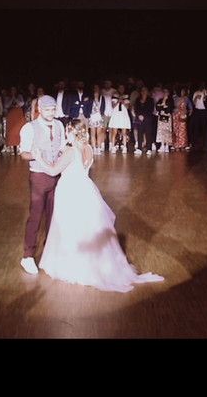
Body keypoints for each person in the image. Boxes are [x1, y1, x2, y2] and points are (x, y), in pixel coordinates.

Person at [31, 119, 164, 293]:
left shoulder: (71, 152)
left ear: (71, 132)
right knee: (86, 228)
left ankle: (73, 265)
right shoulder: (89, 149)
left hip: (70, 191)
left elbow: (53, 171)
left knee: (70, 228)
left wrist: (39, 158)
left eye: (67, 132)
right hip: (86, 189)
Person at [18, 95, 66, 275]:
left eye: (53, 109)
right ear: (40, 109)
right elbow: (23, 153)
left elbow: (61, 146)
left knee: (54, 215)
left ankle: (50, 251)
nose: (51, 113)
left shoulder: (59, 125)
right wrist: (34, 155)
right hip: (38, 175)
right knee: (36, 215)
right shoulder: (29, 128)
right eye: (47, 110)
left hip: (56, 175)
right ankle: (28, 256)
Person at [108, 83, 132, 153]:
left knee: (124, 132)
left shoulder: (126, 96)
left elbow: (128, 107)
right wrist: (118, 101)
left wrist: (123, 102)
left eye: (122, 88)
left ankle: (124, 147)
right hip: (116, 114)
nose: (121, 89)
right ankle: (113, 146)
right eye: (120, 88)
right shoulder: (114, 96)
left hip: (123, 115)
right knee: (114, 132)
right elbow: (113, 106)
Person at [132, 86, 155, 155]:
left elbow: (150, 109)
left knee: (148, 134)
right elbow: (136, 109)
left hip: (147, 119)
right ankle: (139, 148)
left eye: (145, 90)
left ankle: (149, 149)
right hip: (139, 119)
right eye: (142, 90)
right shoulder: (138, 99)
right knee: (140, 134)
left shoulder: (150, 100)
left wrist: (144, 116)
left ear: (147, 92)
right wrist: (139, 115)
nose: (143, 92)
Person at [88, 83, 106, 154]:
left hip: (99, 117)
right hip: (92, 116)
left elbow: (103, 107)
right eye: (94, 88)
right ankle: (94, 147)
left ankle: (98, 147)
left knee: (99, 133)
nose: (96, 89)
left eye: (97, 88)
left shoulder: (102, 97)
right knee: (92, 133)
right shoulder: (90, 97)